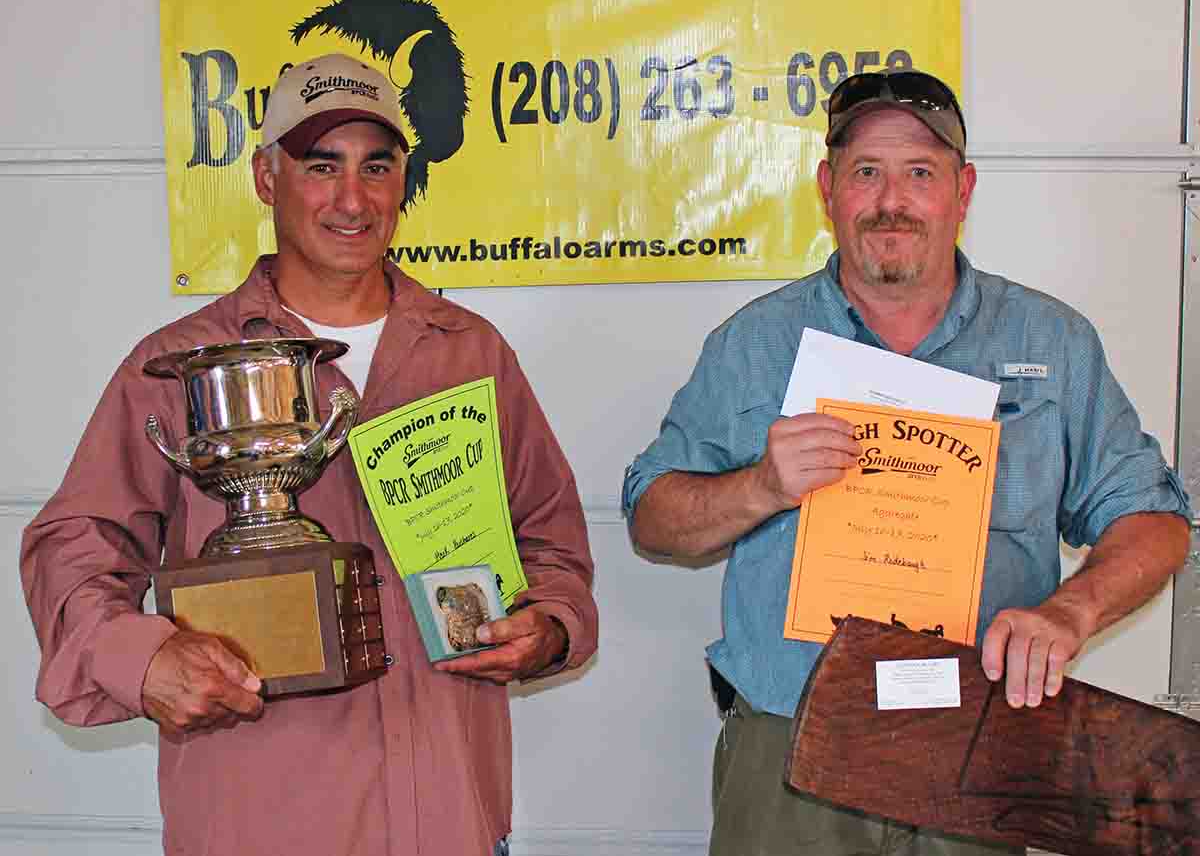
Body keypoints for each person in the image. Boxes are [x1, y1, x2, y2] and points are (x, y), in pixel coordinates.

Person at [21, 52, 598, 856]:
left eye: (377, 166)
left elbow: (551, 538)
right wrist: (142, 659)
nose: (352, 199)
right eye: (321, 166)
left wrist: (552, 625)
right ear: (266, 176)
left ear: (405, 180)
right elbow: (72, 547)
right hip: (265, 822)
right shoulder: (180, 365)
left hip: (454, 819)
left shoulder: (469, 353)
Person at [621, 68, 1191, 856]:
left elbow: (1154, 521)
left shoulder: (1050, 343)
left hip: (980, 751)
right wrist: (757, 487)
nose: (892, 201)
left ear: (963, 190)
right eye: (866, 173)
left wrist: (1071, 612)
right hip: (792, 756)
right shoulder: (755, 345)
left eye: (920, 173)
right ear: (828, 190)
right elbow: (653, 517)